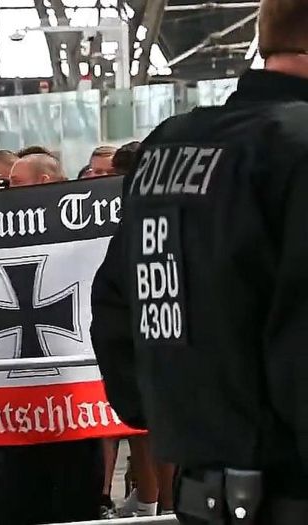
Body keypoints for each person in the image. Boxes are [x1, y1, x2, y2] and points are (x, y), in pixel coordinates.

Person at [90, 0, 308, 522]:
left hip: (200, 481)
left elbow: (117, 295)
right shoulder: (295, 146)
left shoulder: (171, 143)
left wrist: (173, 415)